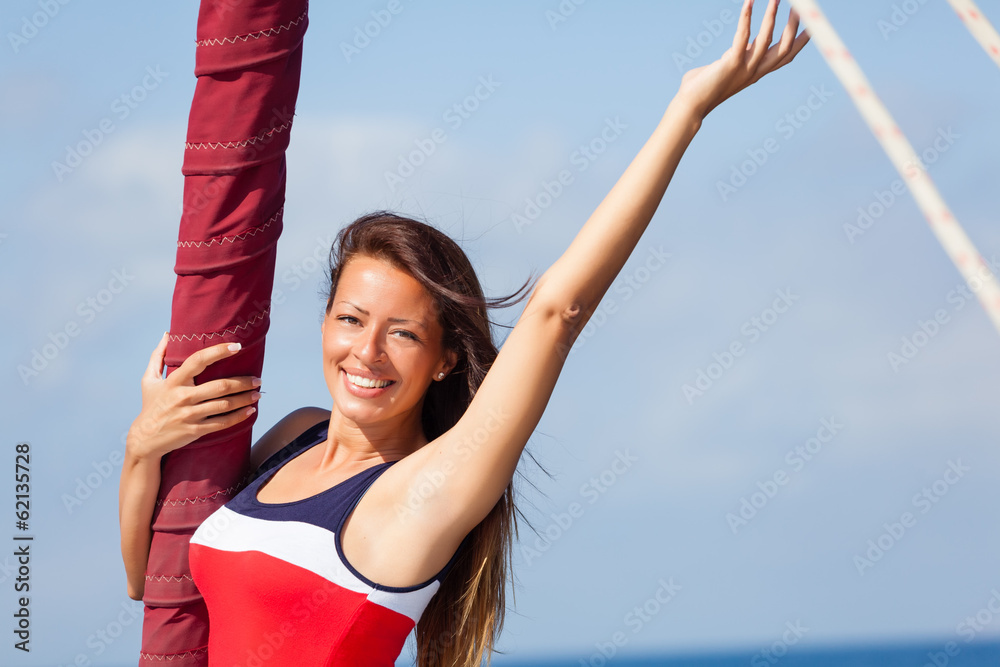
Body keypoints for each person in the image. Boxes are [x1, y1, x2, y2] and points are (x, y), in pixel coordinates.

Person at [119, 1, 810, 664]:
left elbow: (556, 312)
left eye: (403, 335)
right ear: (326, 320)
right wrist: (141, 451)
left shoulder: (427, 490)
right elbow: (150, 583)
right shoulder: (294, 435)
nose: (366, 351)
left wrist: (687, 111)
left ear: (447, 358)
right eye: (352, 319)